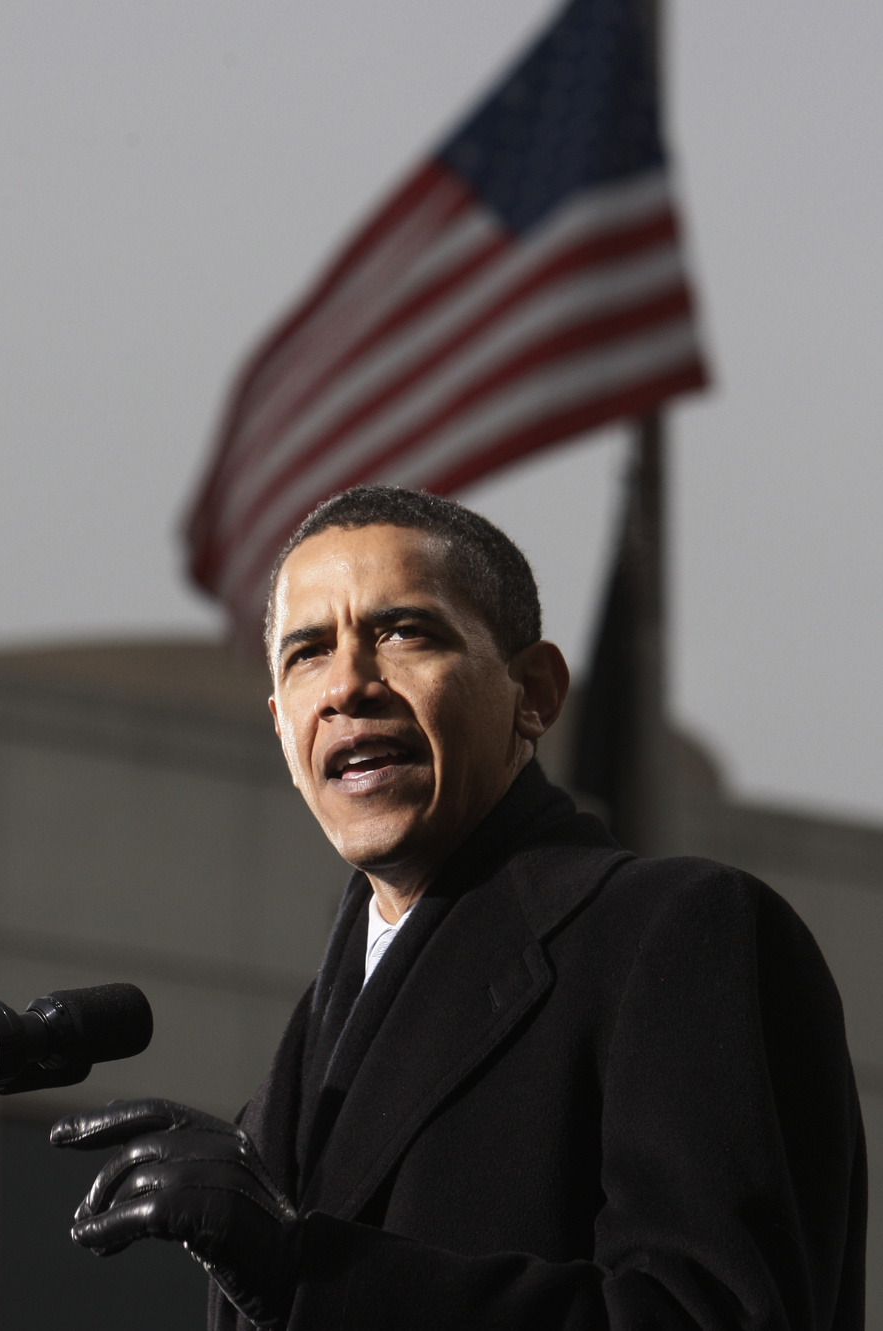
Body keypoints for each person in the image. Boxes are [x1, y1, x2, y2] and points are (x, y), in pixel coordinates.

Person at [52, 486, 867, 1330]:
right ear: (281, 729)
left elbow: (708, 1316)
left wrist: (307, 1272)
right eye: (305, 654)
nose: (347, 686)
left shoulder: (680, 932)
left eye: (403, 632)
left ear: (534, 692)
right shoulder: (293, 1073)